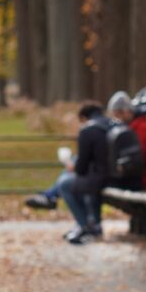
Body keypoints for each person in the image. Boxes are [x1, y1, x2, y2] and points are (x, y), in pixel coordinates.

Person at [24, 101, 110, 244]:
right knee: (69, 175)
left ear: (83, 118)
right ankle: (50, 197)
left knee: (66, 183)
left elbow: (82, 168)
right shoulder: (111, 124)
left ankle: (85, 226)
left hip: (101, 178)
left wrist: (74, 167)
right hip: (116, 175)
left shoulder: (88, 130)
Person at [106, 90, 146, 190]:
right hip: (130, 176)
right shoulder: (127, 127)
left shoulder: (141, 126)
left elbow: (141, 154)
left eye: (117, 115)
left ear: (126, 112)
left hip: (142, 178)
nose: (116, 119)